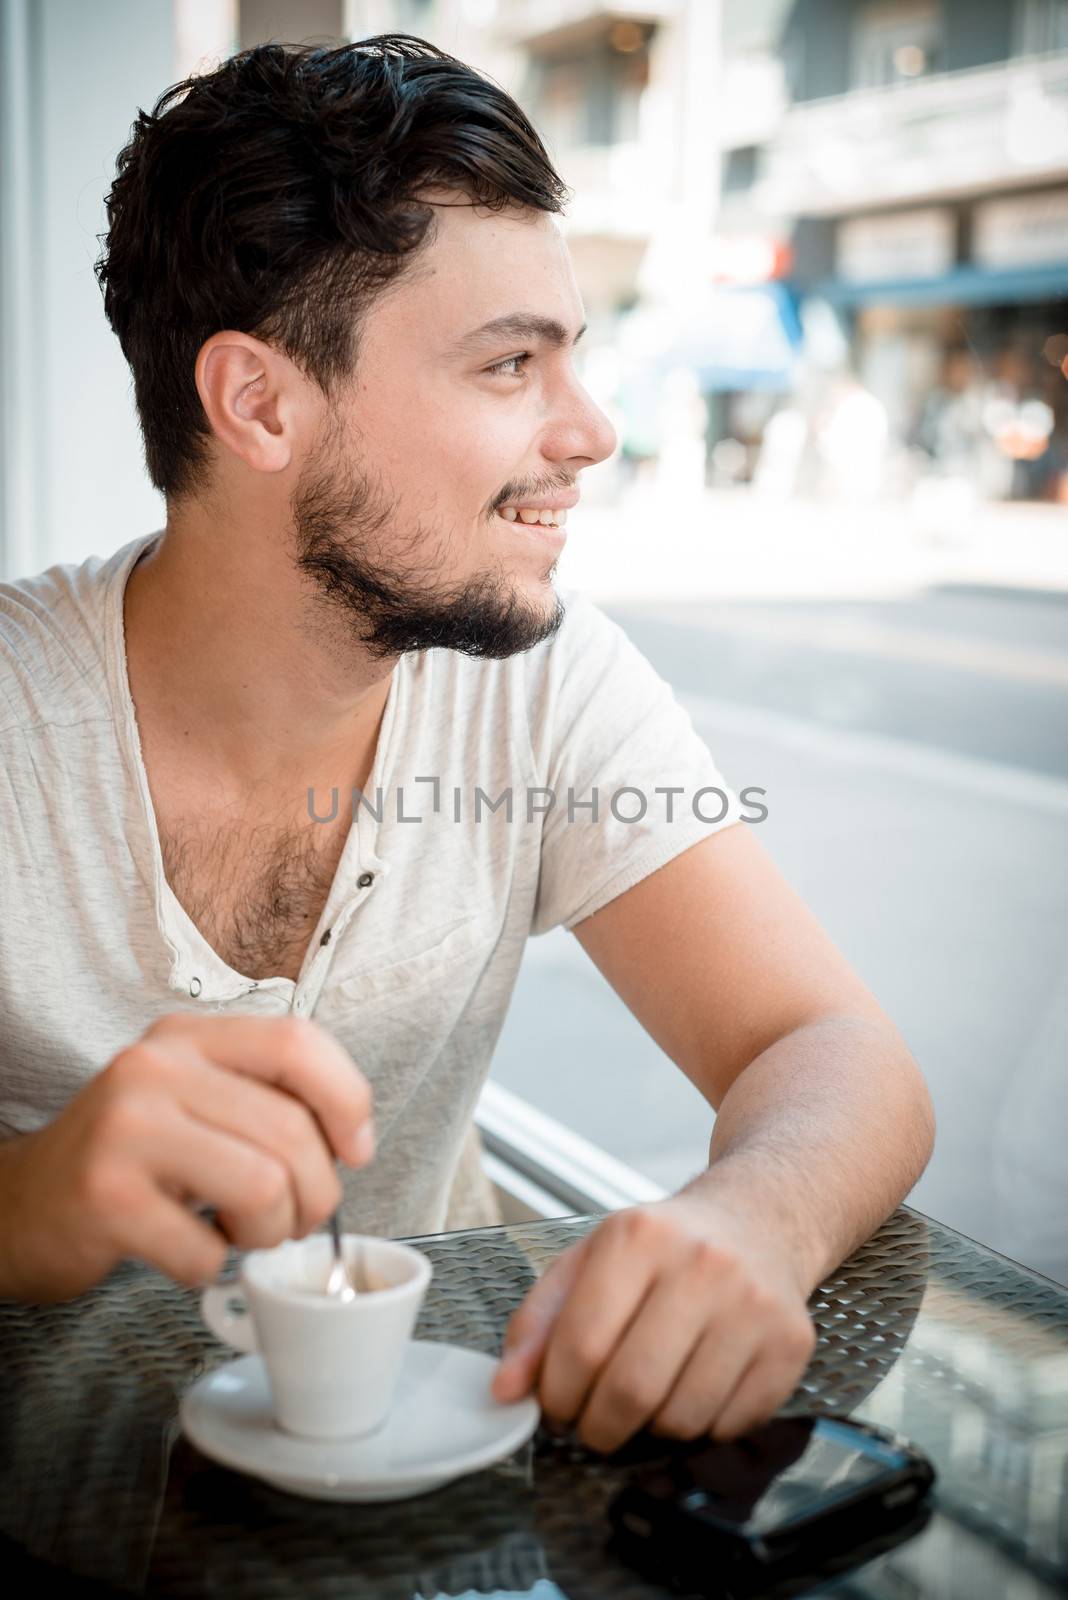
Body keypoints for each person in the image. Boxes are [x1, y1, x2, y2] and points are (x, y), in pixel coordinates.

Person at [0, 37, 934, 1457]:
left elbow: (833, 1047)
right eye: (512, 364)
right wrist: (26, 1204)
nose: (594, 431)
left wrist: (751, 1220)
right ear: (259, 403)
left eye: (575, 359)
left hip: (452, 1481)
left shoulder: (545, 687)